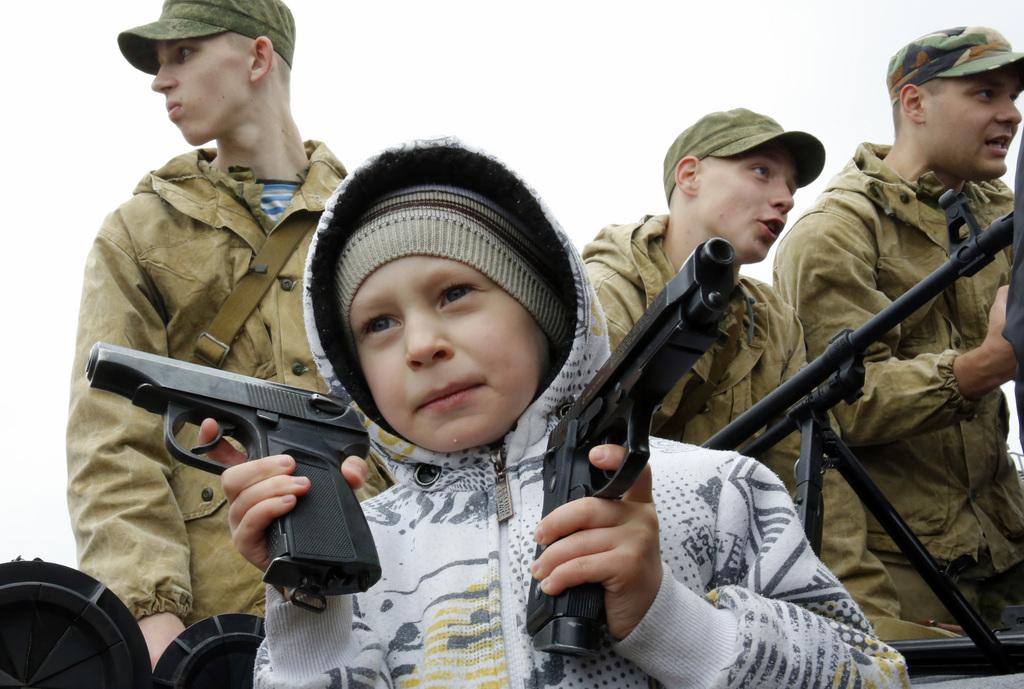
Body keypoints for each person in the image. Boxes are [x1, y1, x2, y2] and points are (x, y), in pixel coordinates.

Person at [212, 137, 909, 687]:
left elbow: (873, 674)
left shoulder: (717, 491)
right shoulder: (361, 544)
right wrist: (307, 596)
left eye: (455, 292)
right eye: (378, 325)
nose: (422, 344)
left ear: (546, 311)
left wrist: (667, 616)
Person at [65, 0, 391, 668]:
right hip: (215, 623)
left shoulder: (375, 217)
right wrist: (152, 623)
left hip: (385, 595)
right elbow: (112, 445)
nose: (161, 81)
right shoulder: (138, 232)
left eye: (183, 54)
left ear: (258, 57)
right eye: (160, 64)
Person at [582, 109, 932, 640]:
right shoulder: (603, 296)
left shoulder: (768, 320)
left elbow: (812, 474)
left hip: (727, 595)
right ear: (690, 176)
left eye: (791, 185)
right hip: (605, 587)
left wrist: (864, 620)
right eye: (762, 172)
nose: (787, 198)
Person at [774, 26, 1024, 631]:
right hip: (906, 570)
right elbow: (834, 407)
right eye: (986, 94)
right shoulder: (836, 232)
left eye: (1014, 96)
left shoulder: (1003, 212)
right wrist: (980, 367)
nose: (1011, 114)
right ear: (914, 104)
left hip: (1007, 542)